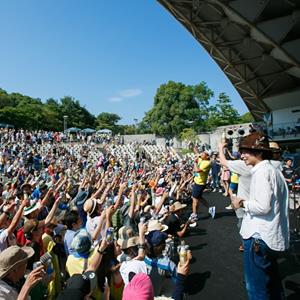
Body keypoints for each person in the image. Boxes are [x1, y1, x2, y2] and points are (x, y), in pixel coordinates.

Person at [231, 132, 289, 299]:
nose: (242, 156)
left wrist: (241, 203)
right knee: (273, 284)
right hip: (267, 236)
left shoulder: (262, 172)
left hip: (259, 237)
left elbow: (263, 207)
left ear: (258, 152)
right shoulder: (272, 170)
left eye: (245, 151)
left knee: (256, 289)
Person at [190, 150, 215, 226]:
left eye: (203, 153)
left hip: (199, 183)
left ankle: (194, 215)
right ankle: (210, 208)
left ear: (207, 156)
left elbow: (197, 170)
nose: (201, 154)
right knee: (199, 197)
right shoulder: (203, 159)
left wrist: (194, 162)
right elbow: (197, 152)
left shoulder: (207, 163)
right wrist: (193, 146)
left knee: (194, 199)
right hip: (199, 182)